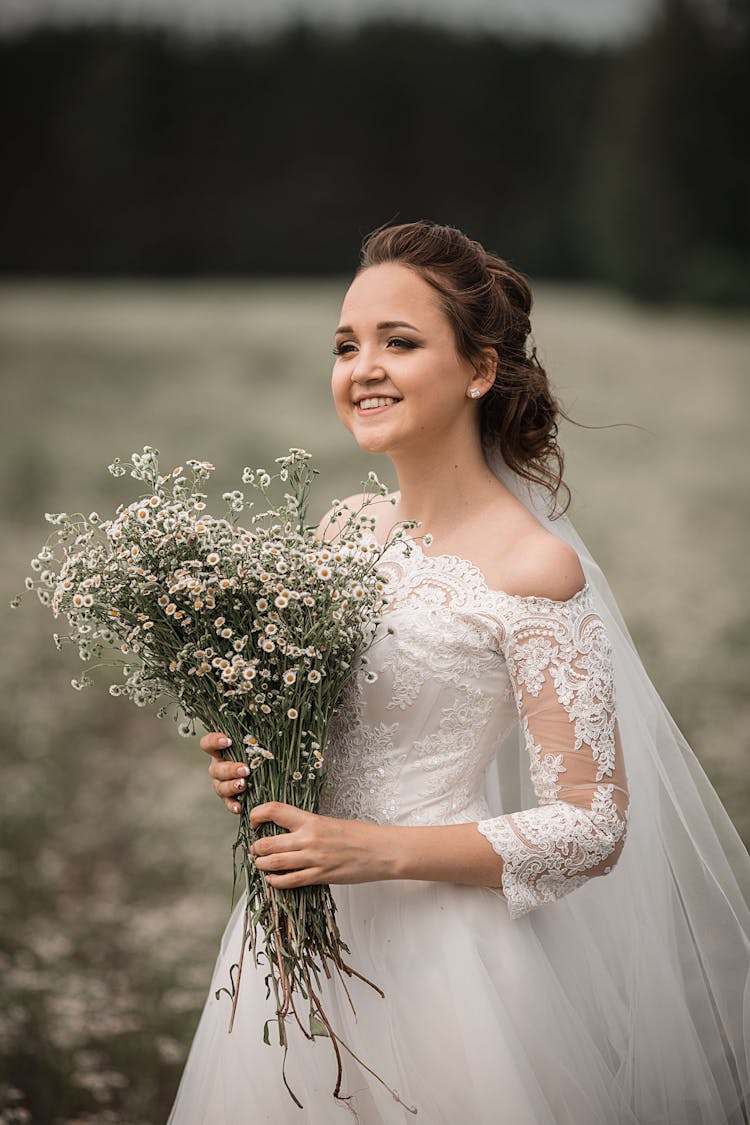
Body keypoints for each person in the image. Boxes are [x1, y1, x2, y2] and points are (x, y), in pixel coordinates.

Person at [167, 221, 750, 1124]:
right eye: (346, 345)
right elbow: (339, 733)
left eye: (399, 342)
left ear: (480, 369)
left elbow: (593, 823)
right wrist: (257, 760)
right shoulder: (342, 532)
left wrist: (376, 850)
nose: (363, 367)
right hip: (290, 939)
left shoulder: (532, 567)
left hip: (445, 960)